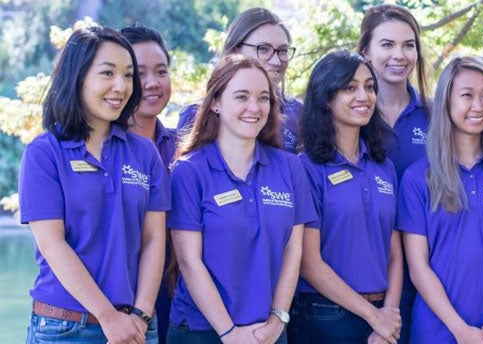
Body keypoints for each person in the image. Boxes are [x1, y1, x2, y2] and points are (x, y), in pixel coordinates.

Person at [18, 26, 167, 343]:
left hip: (136, 326)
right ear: (78, 77)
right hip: (65, 328)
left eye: (128, 76)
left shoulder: (144, 153)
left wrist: (141, 315)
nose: (120, 86)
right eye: (107, 73)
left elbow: (154, 238)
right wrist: (107, 317)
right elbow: (53, 245)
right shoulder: (44, 153)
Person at [166, 54, 314, 343]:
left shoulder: (290, 167)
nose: (253, 108)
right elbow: (189, 261)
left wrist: (277, 320)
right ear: (216, 103)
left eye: (263, 98)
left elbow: (293, 250)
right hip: (202, 331)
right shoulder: (190, 170)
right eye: (241, 96)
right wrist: (229, 333)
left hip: (267, 333)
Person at [398, 56, 483, 344]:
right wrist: (460, 330)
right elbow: (418, 267)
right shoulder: (418, 178)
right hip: (438, 331)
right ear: (446, 102)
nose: (479, 106)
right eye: (467, 95)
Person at [290, 50, 402, 344]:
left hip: (381, 316)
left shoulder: (384, 167)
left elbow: (394, 252)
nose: (363, 96)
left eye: (369, 87)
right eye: (349, 88)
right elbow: (309, 263)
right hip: (325, 316)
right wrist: (373, 316)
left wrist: (387, 315)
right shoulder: (305, 169)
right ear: (326, 98)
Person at [358, 6, 430, 342]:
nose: (399, 55)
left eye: (409, 45)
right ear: (365, 51)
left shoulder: (436, 116)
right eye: (387, 45)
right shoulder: (347, 116)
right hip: (368, 275)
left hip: (431, 273)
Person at [120, 23, 178, 344]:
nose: (152, 83)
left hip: (175, 298)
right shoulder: (103, 150)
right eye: (139, 74)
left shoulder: (184, 148)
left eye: (161, 71)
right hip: (115, 301)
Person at [176, 7, 303, 152]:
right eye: (263, 49)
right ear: (235, 51)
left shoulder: (299, 114)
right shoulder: (195, 115)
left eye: (283, 51)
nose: (276, 61)